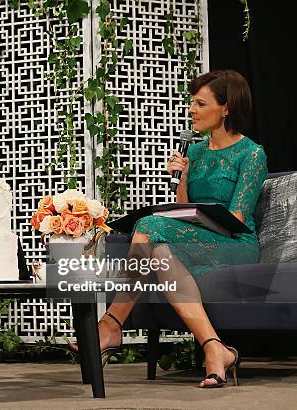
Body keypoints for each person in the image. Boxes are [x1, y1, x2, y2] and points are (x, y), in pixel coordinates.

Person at [72, 69, 267, 388]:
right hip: (197, 236)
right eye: (192, 102)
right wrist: (183, 177)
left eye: (201, 103)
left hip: (235, 243)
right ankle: (215, 350)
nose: (192, 110)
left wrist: (182, 221)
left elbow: (238, 219)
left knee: (149, 226)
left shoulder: (252, 153)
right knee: (158, 250)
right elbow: (185, 206)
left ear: (226, 107)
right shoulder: (196, 149)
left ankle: (110, 325)